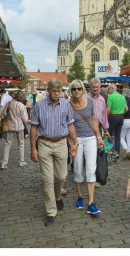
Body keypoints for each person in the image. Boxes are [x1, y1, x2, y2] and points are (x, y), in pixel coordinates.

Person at [30, 78, 78, 226]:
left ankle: (57, 197)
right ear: (48, 91)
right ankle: (51, 211)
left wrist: (74, 143)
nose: (57, 94)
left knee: (61, 176)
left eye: (59, 91)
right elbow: (33, 128)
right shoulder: (39, 106)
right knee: (47, 179)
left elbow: (70, 125)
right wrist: (33, 148)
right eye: (54, 91)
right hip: (44, 143)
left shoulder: (66, 105)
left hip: (62, 143)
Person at [68, 80, 105, 214]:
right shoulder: (67, 105)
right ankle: (79, 196)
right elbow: (67, 125)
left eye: (79, 88)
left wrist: (98, 137)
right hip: (76, 140)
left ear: (83, 90)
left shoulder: (89, 102)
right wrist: (71, 143)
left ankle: (91, 202)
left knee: (90, 169)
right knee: (78, 169)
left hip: (90, 138)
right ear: (70, 91)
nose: (76, 91)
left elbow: (94, 120)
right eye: (74, 89)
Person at [1, 91, 30, 169]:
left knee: (7, 144)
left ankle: (4, 163)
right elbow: (25, 119)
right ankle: (21, 161)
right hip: (19, 126)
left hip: (9, 126)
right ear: (21, 98)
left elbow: (3, 113)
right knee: (21, 144)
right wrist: (27, 122)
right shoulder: (21, 105)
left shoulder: (9, 103)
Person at [106, 83, 128, 155]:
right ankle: (117, 154)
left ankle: (109, 152)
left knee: (108, 135)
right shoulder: (122, 96)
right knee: (118, 136)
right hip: (121, 117)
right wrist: (122, 112)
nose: (107, 90)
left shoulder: (110, 97)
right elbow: (127, 109)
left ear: (112, 89)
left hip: (113, 117)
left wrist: (105, 119)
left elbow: (108, 110)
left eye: (108, 89)